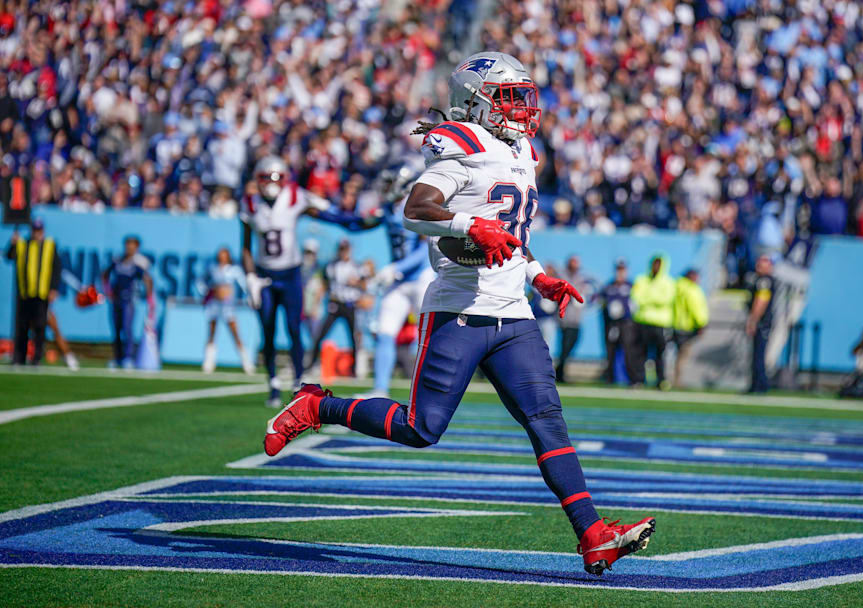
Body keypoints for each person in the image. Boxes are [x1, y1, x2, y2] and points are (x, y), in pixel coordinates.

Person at [262, 52, 654, 577]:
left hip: (513, 313)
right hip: (459, 311)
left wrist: (538, 276)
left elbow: (512, 233)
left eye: (523, 97)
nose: (521, 109)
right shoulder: (459, 148)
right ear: (476, 100)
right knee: (421, 428)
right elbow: (417, 210)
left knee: (547, 421)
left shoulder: (523, 151)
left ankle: (592, 535)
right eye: (509, 97)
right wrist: (470, 226)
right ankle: (316, 407)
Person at [239, 155, 380, 406]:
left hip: (290, 274)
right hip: (264, 276)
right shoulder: (250, 204)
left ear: (284, 179)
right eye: (266, 178)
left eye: (275, 178)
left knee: (294, 328)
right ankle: (272, 384)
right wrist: (250, 277)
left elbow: (331, 216)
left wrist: (358, 221)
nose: (270, 183)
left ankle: (297, 382)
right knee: (268, 331)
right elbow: (246, 246)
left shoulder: (294, 196)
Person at [369, 160, 436, 398]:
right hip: (399, 279)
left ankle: (432, 391)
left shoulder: (417, 205)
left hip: (421, 276)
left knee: (429, 336)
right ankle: (380, 389)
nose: (386, 187)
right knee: (385, 331)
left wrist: (396, 268)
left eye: (390, 182)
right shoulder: (388, 209)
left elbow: (423, 248)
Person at [305, 239, 373, 377]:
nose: (343, 252)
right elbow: (324, 285)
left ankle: (354, 370)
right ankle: (310, 365)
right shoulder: (330, 266)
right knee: (320, 334)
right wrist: (316, 304)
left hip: (350, 305)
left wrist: (357, 283)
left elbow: (366, 286)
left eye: (345, 249)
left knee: (354, 338)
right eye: (341, 249)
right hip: (335, 304)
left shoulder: (358, 267)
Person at [6, 218, 60, 365]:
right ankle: (19, 357)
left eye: (39, 230)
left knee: (40, 327)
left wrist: (54, 288)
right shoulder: (23, 244)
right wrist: (12, 244)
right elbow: (9, 256)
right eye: (34, 230)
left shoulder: (50, 245)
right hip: (25, 292)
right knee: (22, 327)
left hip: (41, 293)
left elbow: (56, 269)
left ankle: (36, 357)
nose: (36, 233)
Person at [102, 235, 153, 369]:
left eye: (132, 246)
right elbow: (105, 275)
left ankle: (128, 357)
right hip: (116, 300)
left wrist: (149, 297)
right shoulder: (118, 261)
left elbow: (147, 279)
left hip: (129, 300)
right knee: (116, 329)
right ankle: (117, 357)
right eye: (127, 245)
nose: (129, 248)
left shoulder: (137, 264)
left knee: (127, 328)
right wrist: (108, 291)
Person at [201, 247, 254, 374]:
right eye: (220, 255)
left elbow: (244, 284)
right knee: (212, 332)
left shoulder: (234, 270)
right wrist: (208, 292)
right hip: (214, 304)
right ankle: (209, 363)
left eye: (224, 255)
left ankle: (246, 363)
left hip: (228, 306)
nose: (222, 257)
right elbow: (201, 281)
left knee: (235, 332)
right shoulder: (213, 268)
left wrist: (250, 297)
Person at [630, 253, 676, 389]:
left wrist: (647, 299)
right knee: (640, 353)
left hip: (660, 323)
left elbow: (665, 299)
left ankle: (661, 380)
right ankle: (638, 380)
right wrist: (652, 299)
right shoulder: (642, 279)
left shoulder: (668, 282)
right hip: (643, 321)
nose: (656, 267)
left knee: (659, 354)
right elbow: (636, 297)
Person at [554, 255, 590, 383]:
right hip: (566, 318)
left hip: (576, 318)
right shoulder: (564, 276)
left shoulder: (580, 278)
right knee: (565, 347)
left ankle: (559, 371)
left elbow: (583, 292)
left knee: (571, 345)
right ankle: (560, 373)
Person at [600, 259, 635, 384]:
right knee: (610, 351)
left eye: (622, 270)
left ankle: (632, 379)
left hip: (626, 323)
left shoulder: (631, 286)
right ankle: (610, 378)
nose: (620, 273)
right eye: (618, 270)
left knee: (628, 350)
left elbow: (635, 304)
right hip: (612, 324)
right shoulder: (609, 286)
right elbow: (601, 303)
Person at [745, 254, 776, 393]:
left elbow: (761, 302)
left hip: (762, 323)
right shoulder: (760, 279)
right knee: (757, 355)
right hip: (763, 323)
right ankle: (759, 384)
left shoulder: (764, 280)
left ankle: (759, 385)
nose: (758, 265)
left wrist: (753, 320)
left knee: (758, 355)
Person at [672, 268, 709, 388]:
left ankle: (675, 379)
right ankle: (678, 381)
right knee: (683, 355)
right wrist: (701, 323)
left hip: (676, 325)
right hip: (688, 326)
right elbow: (695, 307)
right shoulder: (692, 290)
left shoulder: (676, 287)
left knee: (678, 354)